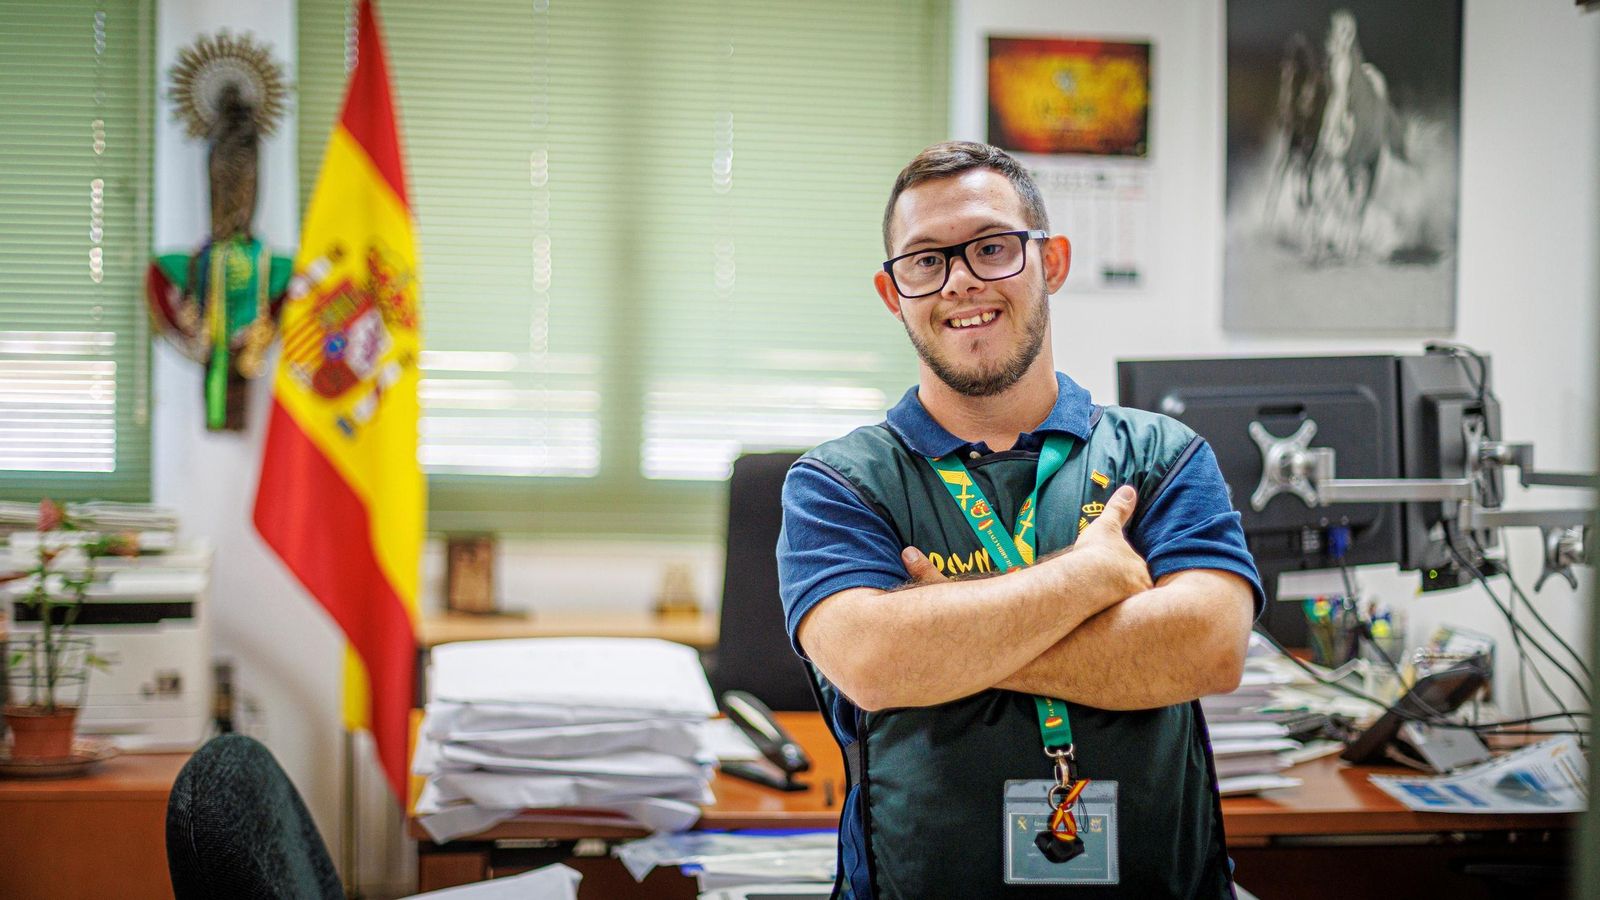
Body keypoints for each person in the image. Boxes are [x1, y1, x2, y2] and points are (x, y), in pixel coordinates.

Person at [776, 141, 1264, 899]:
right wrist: (1088, 578)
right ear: (891, 292)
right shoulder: (839, 483)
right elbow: (872, 662)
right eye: (926, 260)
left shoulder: (1161, 456)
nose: (961, 280)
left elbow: (1208, 647)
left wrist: (946, 636)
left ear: (1053, 262)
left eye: (993, 247)